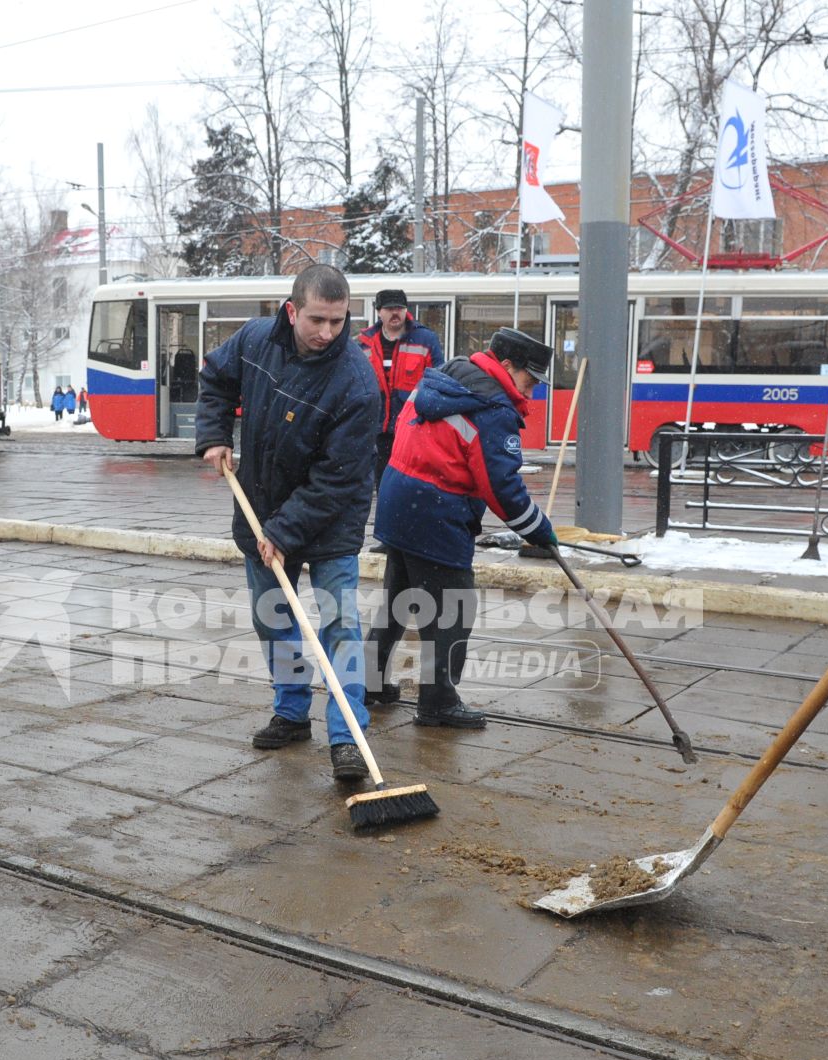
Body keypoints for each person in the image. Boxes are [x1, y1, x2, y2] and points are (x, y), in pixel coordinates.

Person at [196, 263, 382, 782]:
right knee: (272, 617)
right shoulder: (255, 340)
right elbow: (216, 378)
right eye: (318, 320)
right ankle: (292, 709)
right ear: (292, 310)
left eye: (339, 321)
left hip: (329, 524)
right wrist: (213, 433)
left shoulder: (357, 382)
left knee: (340, 627)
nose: (328, 333)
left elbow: (339, 480)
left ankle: (347, 737)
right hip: (258, 507)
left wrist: (283, 531)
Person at [370, 328, 558, 728]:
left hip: (398, 501)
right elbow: (501, 487)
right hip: (437, 511)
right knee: (452, 610)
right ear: (507, 367)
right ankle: (438, 701)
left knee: (396, 601)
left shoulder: (445, 377)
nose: (532, 390)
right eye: (530, 379)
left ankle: (369, 683)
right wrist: (538, 530)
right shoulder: (491, 408)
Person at [355, 288, 443, 485]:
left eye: (399, 308)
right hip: (379, 431)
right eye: (389, 309)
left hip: (414, 428)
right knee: (383, 484)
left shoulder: (425, 340)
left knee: (412, 484)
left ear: (406, 310)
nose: (395, 313)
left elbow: (439, 380)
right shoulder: (364, 344)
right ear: (379, 312)